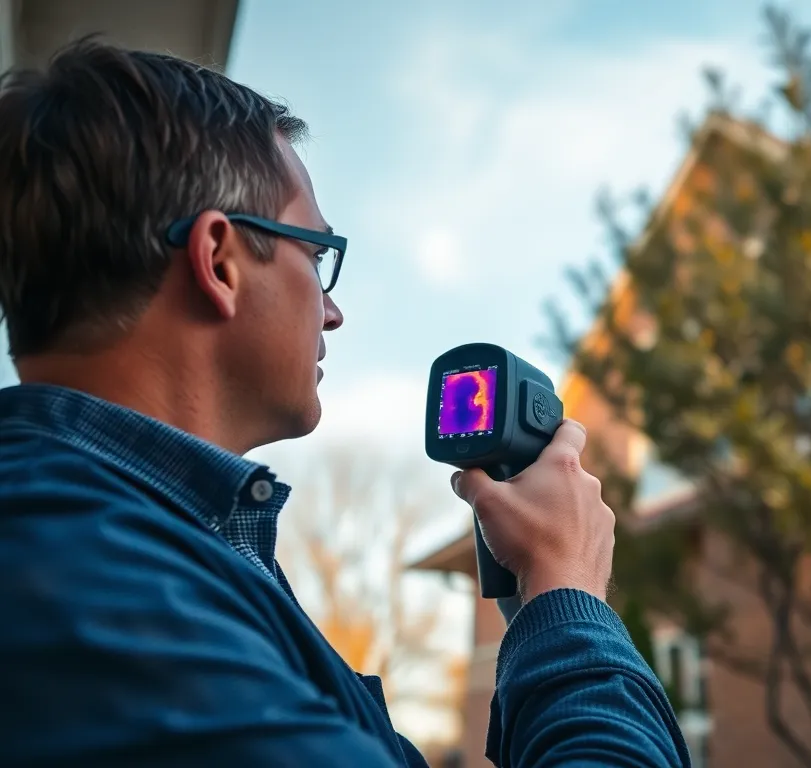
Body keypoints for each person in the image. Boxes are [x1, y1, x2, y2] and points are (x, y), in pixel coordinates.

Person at [0, 39, 690, 768]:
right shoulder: (102, 588)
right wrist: (567, 594)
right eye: (316, 254)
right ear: (220, 261)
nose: (332, 313)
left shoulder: (149, 558)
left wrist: (534, 605)